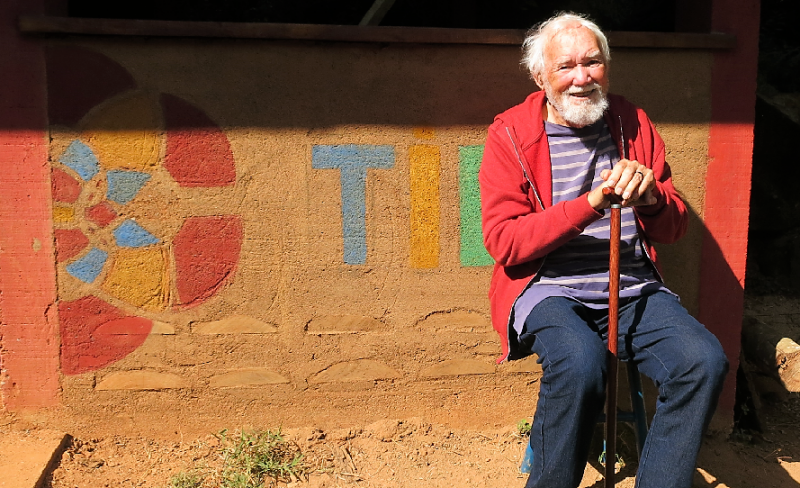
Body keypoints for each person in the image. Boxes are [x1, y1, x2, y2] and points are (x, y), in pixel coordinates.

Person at [478, 12, 729, 488]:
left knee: (702, 361)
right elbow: (505, 242)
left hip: (631, 285)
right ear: (540, 77)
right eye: (566, 66)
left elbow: (673, 228)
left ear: (607, 68)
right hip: (547, 288)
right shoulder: (509, 134)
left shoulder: (632, 122)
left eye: (592, 63)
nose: (581, 77)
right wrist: (591, 205)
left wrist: (652, 197)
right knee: (580, 362)